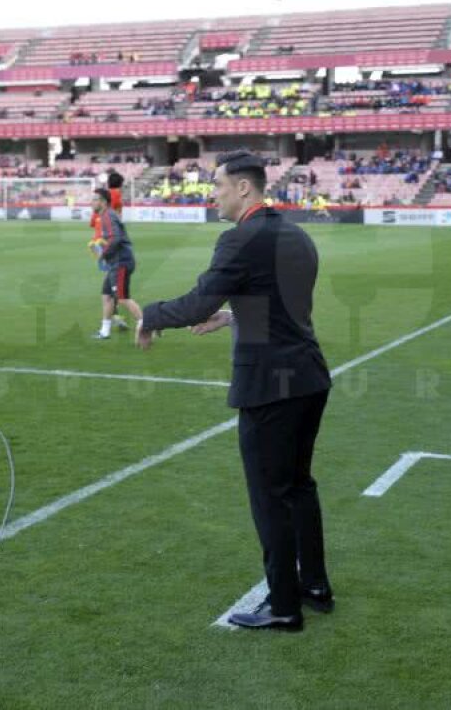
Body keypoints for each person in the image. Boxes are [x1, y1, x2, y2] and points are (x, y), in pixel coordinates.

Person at [136, 151, 334, 631]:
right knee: (299, 488)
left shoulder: (240, 239)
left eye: (219, 185)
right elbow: (283, 304)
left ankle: (284, 605)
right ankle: (314, 587)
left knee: (270, 497)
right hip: (307, 377)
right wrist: (235, 315)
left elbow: (198, 301)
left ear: (244, 188)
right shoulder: (296, 233)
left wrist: (151, 315)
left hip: (270, 386)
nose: (214, 194)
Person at [90, 188, 141, 340]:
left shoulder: (107, 216)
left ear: (103, 202)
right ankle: (105, 331)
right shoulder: (107, 215)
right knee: (107, 296)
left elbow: (115, 238)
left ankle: (147, 324)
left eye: (94, 199)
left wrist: (102, 253)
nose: (91, 202)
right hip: (116, 262)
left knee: (123, 298)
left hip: (120, 262)